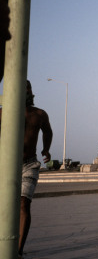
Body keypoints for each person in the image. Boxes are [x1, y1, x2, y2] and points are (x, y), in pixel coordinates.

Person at [0, 80, 53, 257]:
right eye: (23, 88)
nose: (27, 92)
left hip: (29, 164)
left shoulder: (39, 114)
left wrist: (46, 149)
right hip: (6, 164)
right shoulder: (3, 113)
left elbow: (48, 131)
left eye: (29, 88)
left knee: (24, 203)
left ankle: (18, 251)